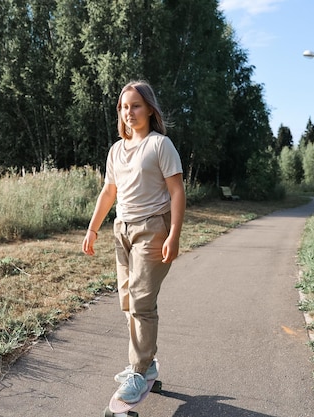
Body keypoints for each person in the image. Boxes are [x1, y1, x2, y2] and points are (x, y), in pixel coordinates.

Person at [82, 80, 185, 403]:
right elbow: (108, 192)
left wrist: (174, 234)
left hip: (152, 228)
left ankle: (138, 370)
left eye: (136, 105)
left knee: (141, 300)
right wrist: (92, 228)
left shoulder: (159, 145)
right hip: (121, 230)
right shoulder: (116, 150)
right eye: (124, 107)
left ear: (150, 109)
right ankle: (147, 363)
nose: (129, 112)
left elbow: (177, 192)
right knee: (127, 302)